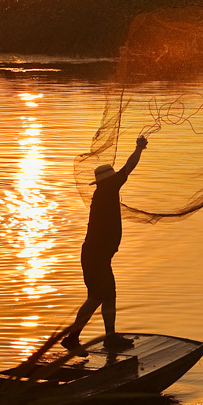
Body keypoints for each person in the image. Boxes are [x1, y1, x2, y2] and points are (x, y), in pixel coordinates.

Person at [62, 136, 148, 351]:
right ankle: (79, 337)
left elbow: (125, 171)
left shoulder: (103, 193)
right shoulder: (108, 190)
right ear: (108, 181)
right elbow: (129, 167)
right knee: (100, 296)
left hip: (94, 256)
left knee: (102, 295)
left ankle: (96, 337)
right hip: (96, 257)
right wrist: (139, 148)